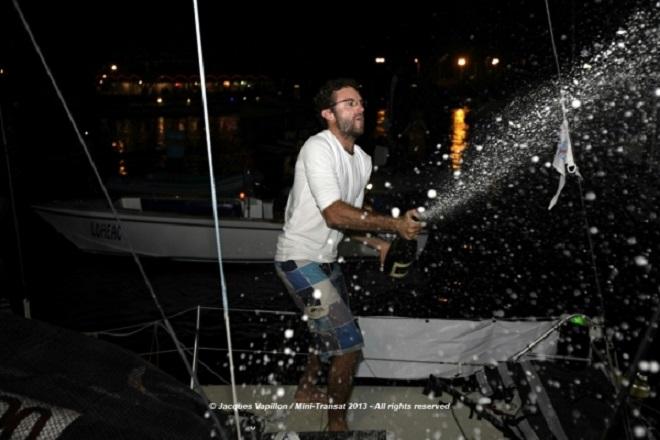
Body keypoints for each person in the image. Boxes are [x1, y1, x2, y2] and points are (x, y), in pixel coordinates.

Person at [274, 78, 422, 431]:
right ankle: (336, 426)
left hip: (325, 260)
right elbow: (334, 213)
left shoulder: (364, 161)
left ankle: (306, 390)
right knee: (348, 345)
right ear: (328, 113)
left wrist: (379, 243)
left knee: (327, 333)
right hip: (298, 259)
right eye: (349, 103)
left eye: (360, 102)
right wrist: (394, 225)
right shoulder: (318, 148)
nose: (360, 108)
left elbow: (350, 217)